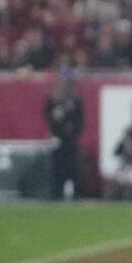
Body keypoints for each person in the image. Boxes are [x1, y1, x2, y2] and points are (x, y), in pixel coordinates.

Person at [44, 69, 84, 200]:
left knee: (71, 167)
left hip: (70, 138)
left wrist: (72, 129)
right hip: (57, 137)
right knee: (57, 166)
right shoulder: (53, 98)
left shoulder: (74, 99)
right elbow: (47, 116)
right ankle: (56, 192)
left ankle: (75, 192)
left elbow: (80, 120)